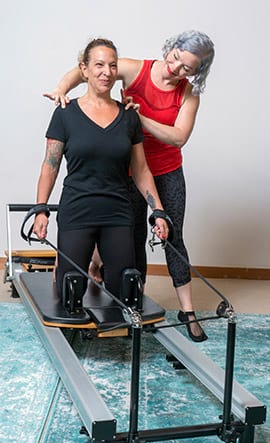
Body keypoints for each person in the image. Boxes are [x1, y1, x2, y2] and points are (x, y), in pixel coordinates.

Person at [44, 30, 215, 341]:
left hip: (164, 169)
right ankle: (133, 301)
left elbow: (178, 138)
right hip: (125, 166)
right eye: (175, 58)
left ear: (196, 72)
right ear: (170, 49)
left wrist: (139, 116)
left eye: (187, 68)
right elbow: (89, 68)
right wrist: (60, 89)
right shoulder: (136, 69)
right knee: (131, 238)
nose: (176, 69)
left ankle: (186, 310)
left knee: (173, 236)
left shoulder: (188, 94)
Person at [33, 38, 169, 301]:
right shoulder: (65, 112)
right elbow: (50, 166)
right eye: (98, 65)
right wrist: (41, 209)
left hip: (117, 212)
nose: (106, 72)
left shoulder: (129, 116)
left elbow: (141, 169)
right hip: (77, 211)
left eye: (112, 65)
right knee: (70, 290)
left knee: (125, 288)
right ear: (84, 69)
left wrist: (159, 211)